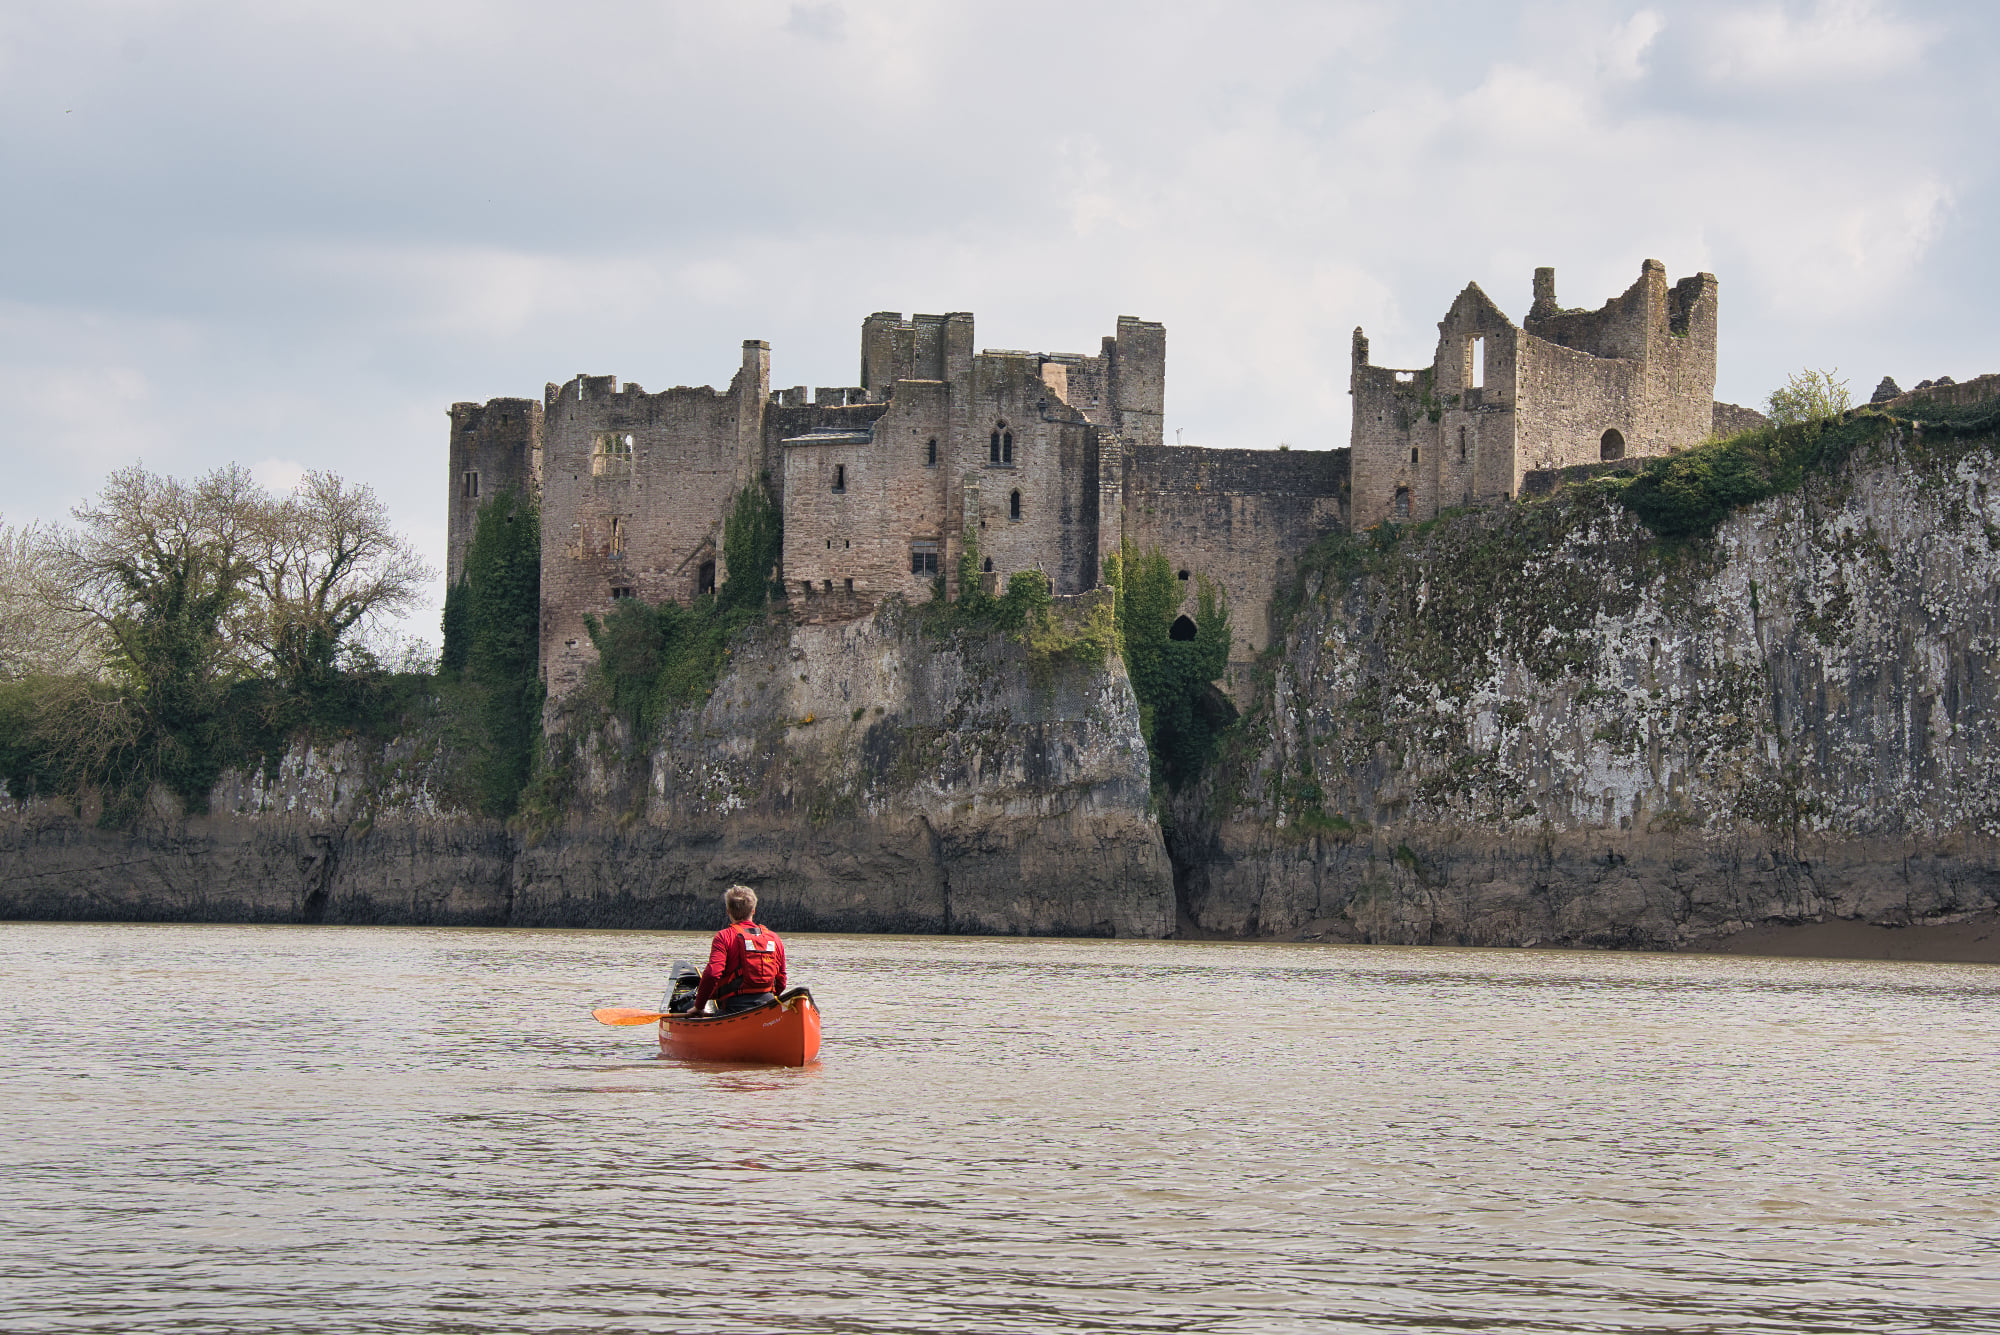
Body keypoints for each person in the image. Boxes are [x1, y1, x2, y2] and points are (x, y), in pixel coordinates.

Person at [690, 884, 787, 1016]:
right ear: (753, 911)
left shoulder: (724, 936)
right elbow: (781, 980)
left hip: (734, 1007)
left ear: (728, 911)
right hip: (768, 1004)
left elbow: (712, 975)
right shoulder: (774, 938)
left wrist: (698, 1007)